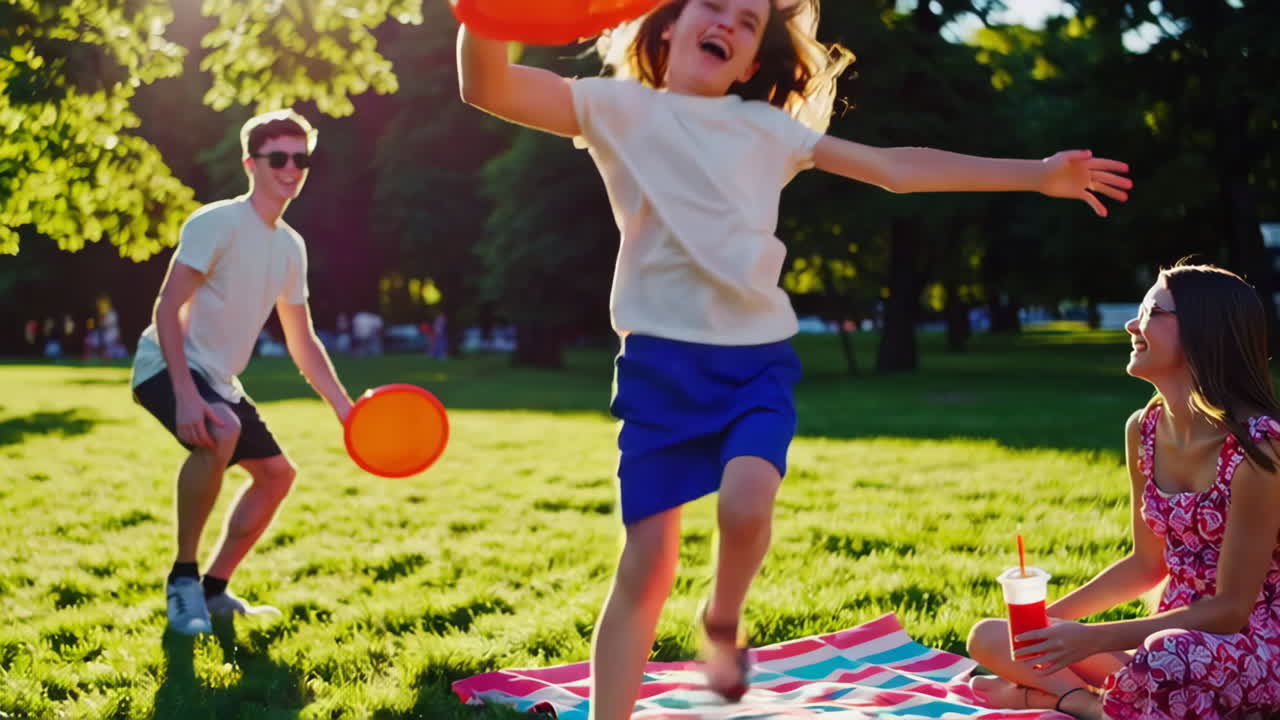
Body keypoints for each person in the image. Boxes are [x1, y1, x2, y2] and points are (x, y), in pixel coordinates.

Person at [456, 1, 1132, 717]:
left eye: (748, 22)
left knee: (747, 505)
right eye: (713, 6)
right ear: (663, 28)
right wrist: (489, 12)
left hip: (753, 361)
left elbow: (894, 169)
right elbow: (485, 86)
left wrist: (1038, 173)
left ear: (752, 63)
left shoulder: (767, 129)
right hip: (659, 370)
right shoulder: (610, 107)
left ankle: (723, 615)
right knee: (646, 567)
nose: (728, 22)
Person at [966, 263, 1280, 720]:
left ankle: (1070, 702)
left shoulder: (1259, 448)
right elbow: (1145, 565)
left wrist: (1091, 639)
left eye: (1152, 312)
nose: (1133, 325)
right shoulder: (1145, 429)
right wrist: (1041, 627)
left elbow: (1231, 610)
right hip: (1161, 647)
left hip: (1248, 651)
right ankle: (1110, 702)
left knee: (1167, 656)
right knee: (988, 637)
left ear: (1203, 331)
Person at [130, 109, 354, 636]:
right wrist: (187, 396)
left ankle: (213, 590)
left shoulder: (289, 246)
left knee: (279, 476)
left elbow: (303, 340)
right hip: (165, 365)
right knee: (220, 431)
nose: (291, 168)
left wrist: (346, 410)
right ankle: (182, 581)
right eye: (279, 157)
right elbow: (168, 308)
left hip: (220, 379)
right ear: (250, 163)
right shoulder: (218, 222)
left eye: (301, 159)